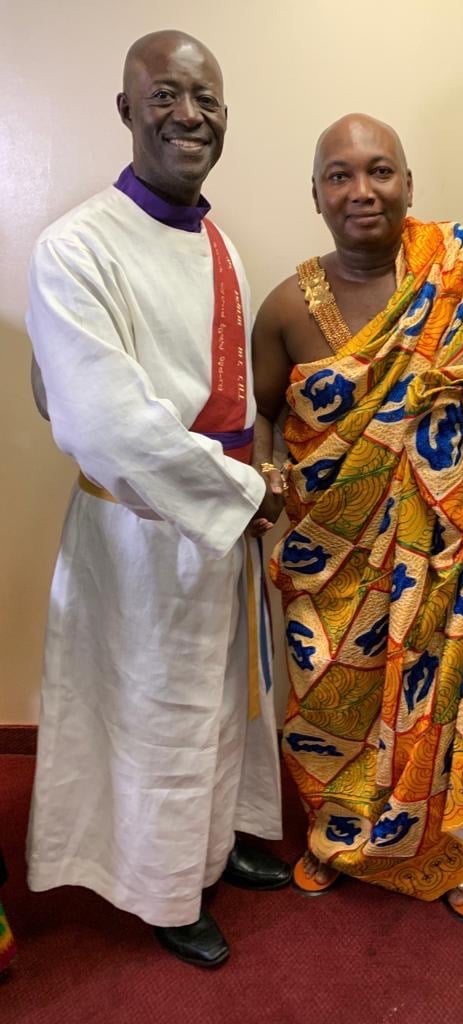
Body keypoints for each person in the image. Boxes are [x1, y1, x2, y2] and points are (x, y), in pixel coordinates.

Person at [252, 113, 463, 923]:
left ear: (409, 184)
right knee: (335, 696)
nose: (361, 191)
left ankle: (453, 852)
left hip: (446, 544)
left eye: (380, 171)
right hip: (329, 548)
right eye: (340, 175)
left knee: (449, 695)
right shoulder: (287, 305)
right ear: (316, 195)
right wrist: (263, 479)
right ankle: (339, 837)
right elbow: (261, 414)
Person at [26, 30, 289, 969]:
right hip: (139, 529)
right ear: (128, 110)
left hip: (216, 523)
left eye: (207, 99)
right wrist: (239, 493)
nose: (191, 115)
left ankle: (209, 852)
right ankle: (159, 886)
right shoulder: (76, 247)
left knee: (218, 700)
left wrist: (244, 492)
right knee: (150, 709)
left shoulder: (215, 238)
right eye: (168, 95)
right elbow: (106, 423)